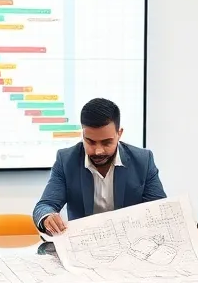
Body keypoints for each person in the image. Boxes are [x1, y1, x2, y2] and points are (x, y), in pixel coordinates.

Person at [33, 98, 165, 234]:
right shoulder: (66, 160)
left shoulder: (143, 160)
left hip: (131, 243)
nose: (98, 151)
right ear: (83, 134)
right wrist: (47, 217)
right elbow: (44, 206)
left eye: (107, 142)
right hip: (83, 246)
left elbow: (159, 209)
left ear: (119, 134)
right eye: (90, 142)